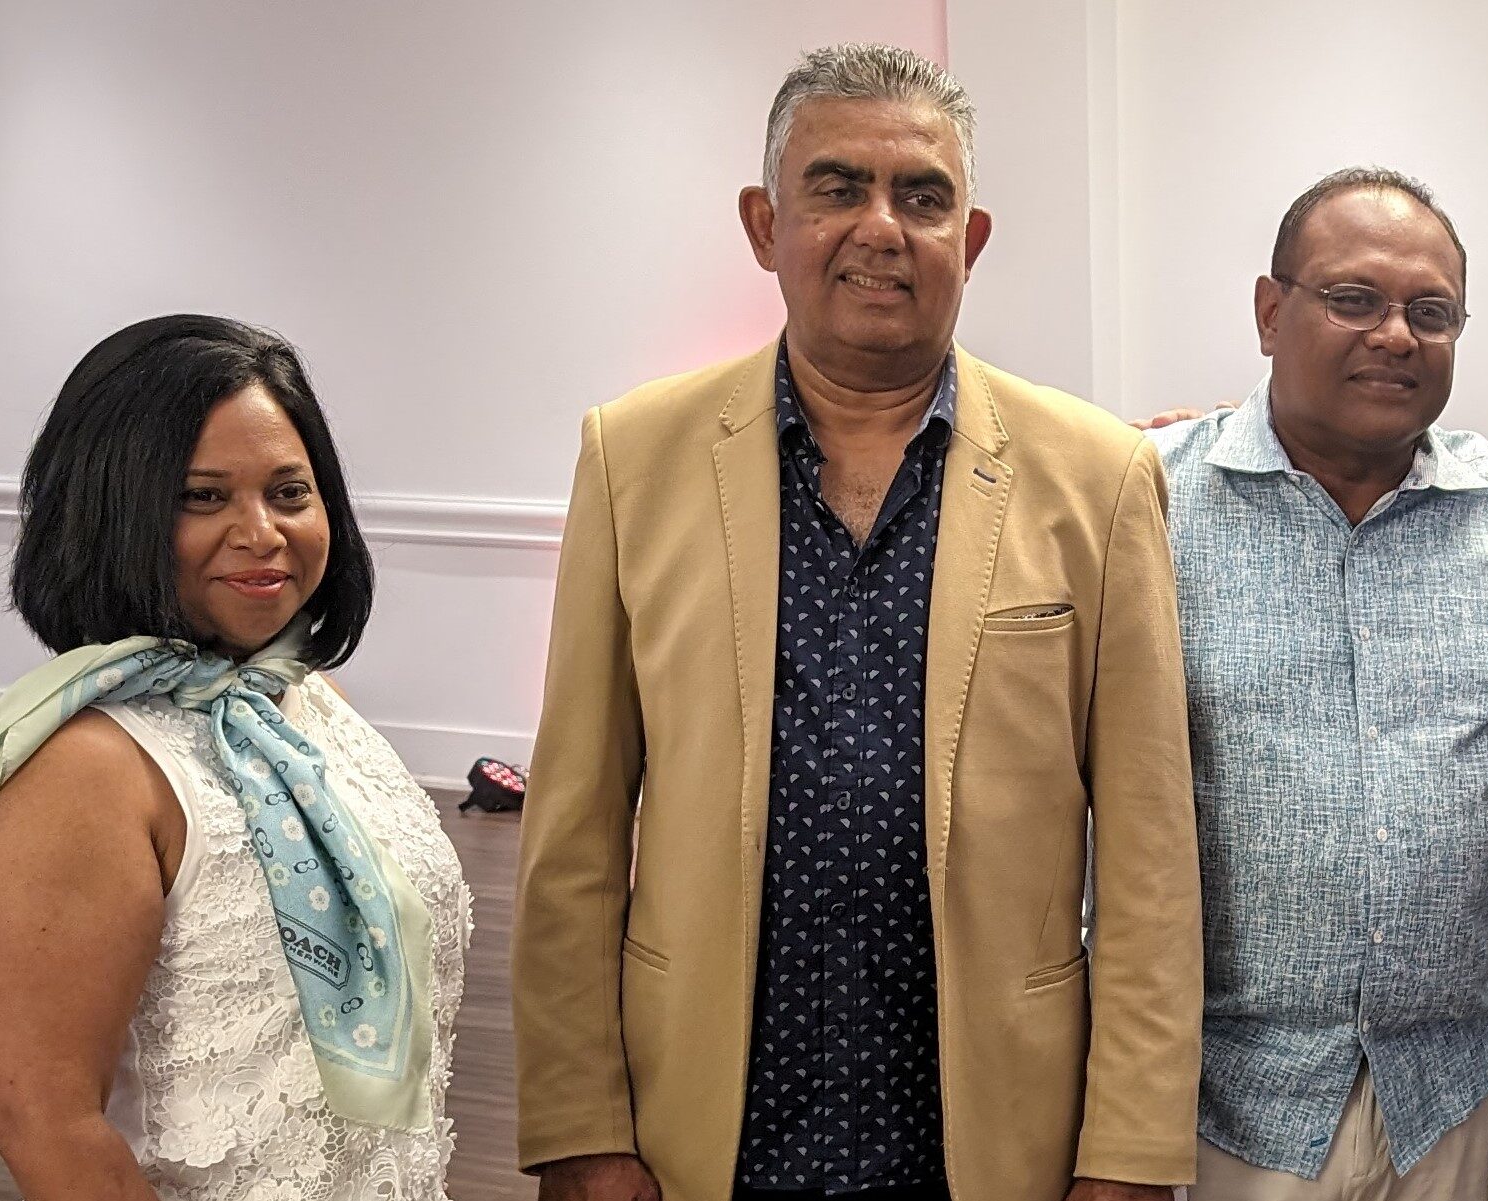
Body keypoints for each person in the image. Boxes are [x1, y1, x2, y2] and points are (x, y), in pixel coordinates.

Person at [511, 43, 1201, 1201]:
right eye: (837, 187)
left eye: (923, 197)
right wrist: (579, 1126)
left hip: (989, 1135)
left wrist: (1127, 1158)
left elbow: (1147, 860)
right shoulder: (633, 458)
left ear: (969, 240)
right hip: (711, 1129)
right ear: (764, 222)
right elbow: (573, 828)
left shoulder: (1100, 477)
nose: (882, 227)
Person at [0, 314, 470, 1200]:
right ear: (114, 511)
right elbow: (41, 1122)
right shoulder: (81, 768)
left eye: (289, 492)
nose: (261, 533)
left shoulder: (299, 697)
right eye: (203, 496)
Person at [1137, 169, 1488, 1201]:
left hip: (1444, 1086)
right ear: (1268, 311)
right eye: (1352, 298)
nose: (1395, 334)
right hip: (1222, 1097)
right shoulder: (1144, 500)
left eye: (1432, 312)